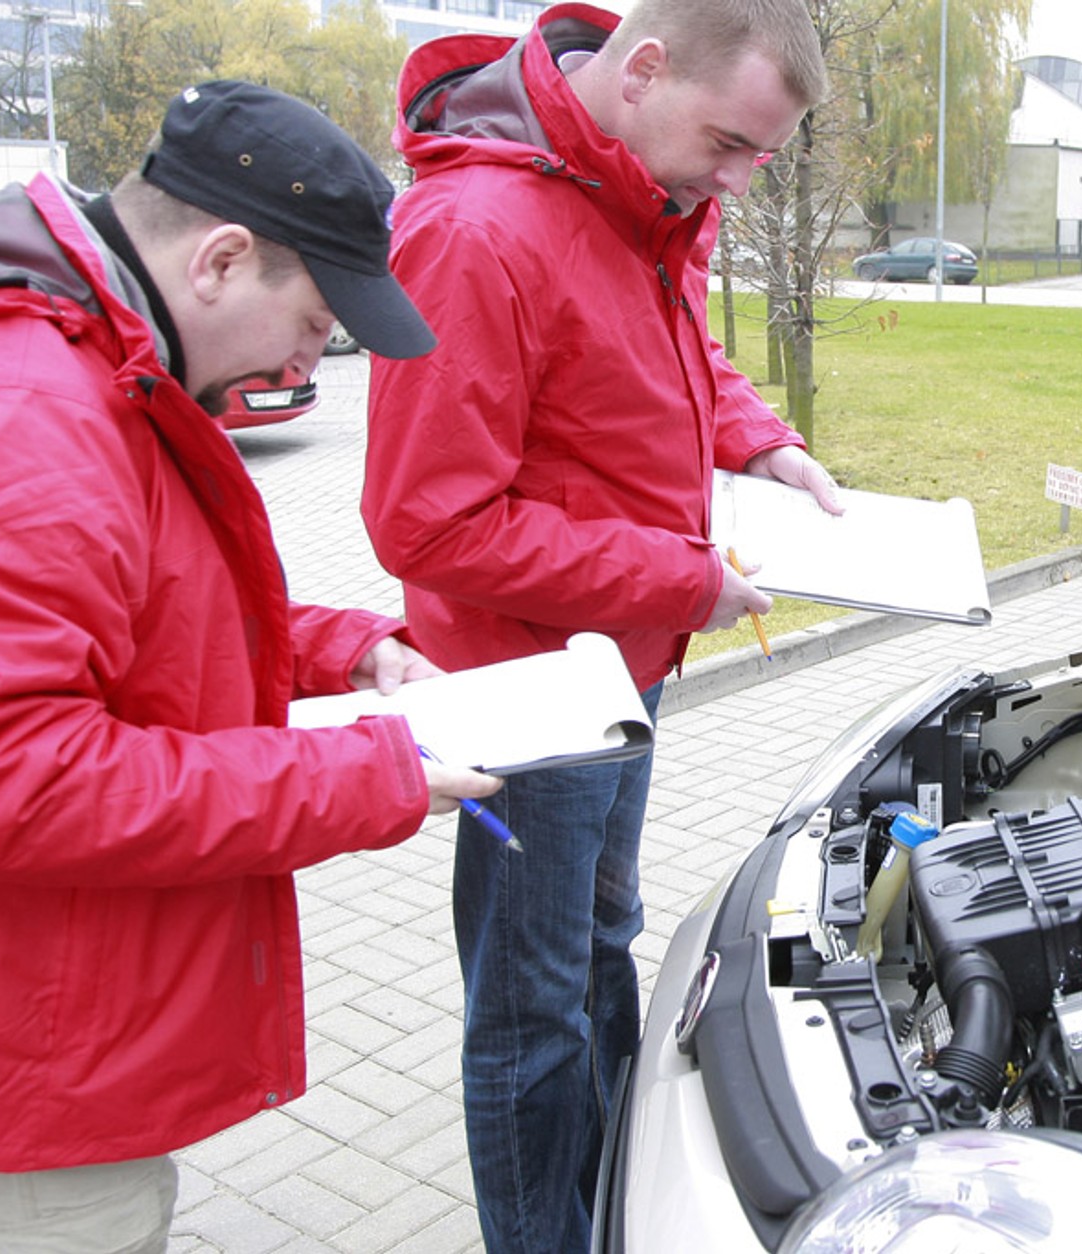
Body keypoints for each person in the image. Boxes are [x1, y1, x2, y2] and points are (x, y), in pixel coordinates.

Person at [0, 81, 502, 1251]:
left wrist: (341, 647)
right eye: (317, 320)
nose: (318, 354)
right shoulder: (32, 415)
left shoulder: (97, 371)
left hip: (47, 1044)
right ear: (218, 260)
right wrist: (375, 774)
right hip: (22, 1105)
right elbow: (17, 776)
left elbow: (138, 605)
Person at [361, 1, 837, 1248]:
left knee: (598, 952)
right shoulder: (474, 232)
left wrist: (758, 441)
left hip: (625, 670)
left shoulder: (644, 193)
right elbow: (426, 526)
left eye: (760, 160)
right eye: (731, 144)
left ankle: (617, 1206)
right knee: (531, 1016)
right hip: (531, 696)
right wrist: (678, 580)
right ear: (639, 70)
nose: (737, 178)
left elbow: (664, 360)